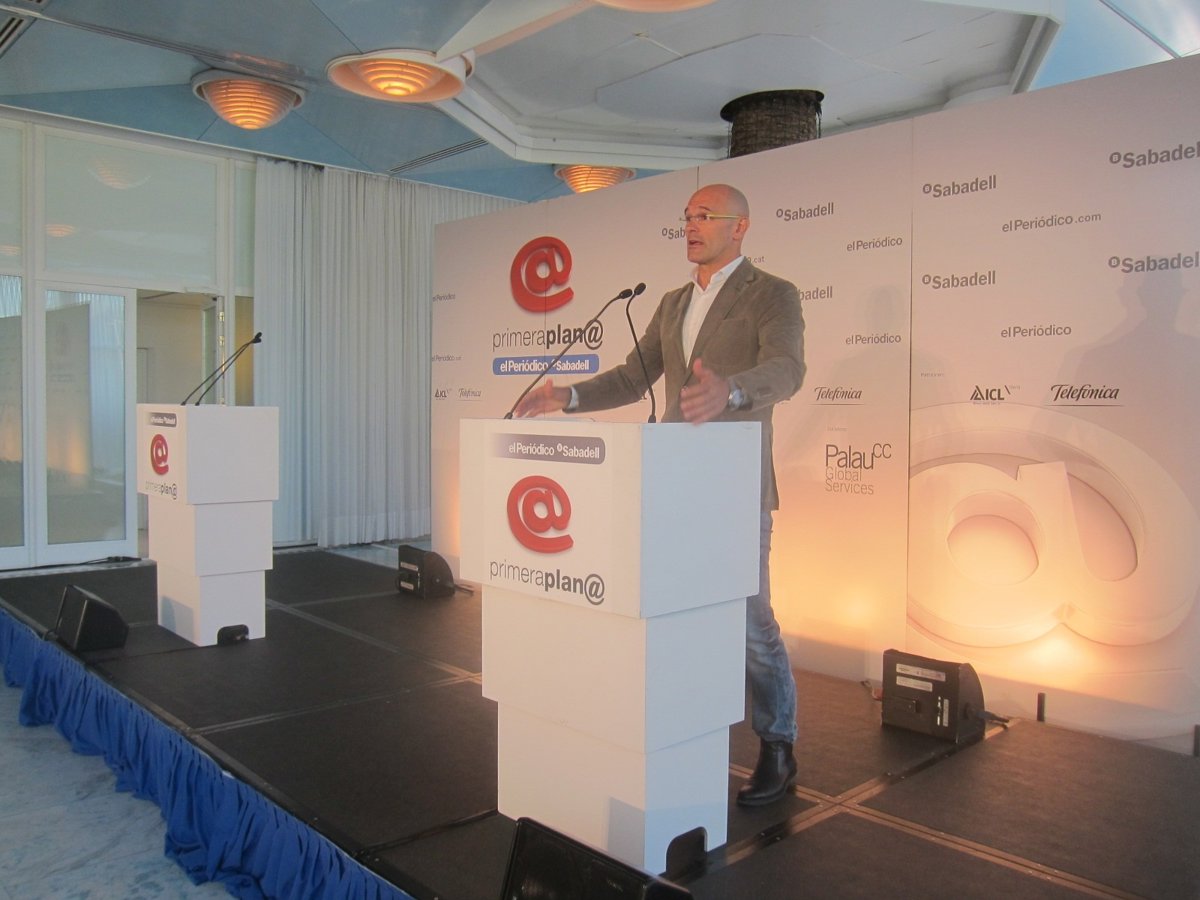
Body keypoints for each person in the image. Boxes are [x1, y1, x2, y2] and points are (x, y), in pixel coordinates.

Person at [512, 183, 805, 807]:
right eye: (687, 217)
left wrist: (731, 391)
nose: (691, 226)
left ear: (740, 226)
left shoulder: (772, 293)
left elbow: (788, 370)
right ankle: (684, 734)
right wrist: (568, 396)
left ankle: (778, 744)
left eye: (706, 216)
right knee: (674, 615)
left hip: (734, 488)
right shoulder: (673, 302)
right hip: (673, 484)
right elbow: (633, 376)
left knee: (751, 623)